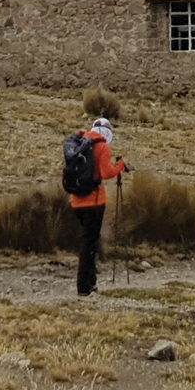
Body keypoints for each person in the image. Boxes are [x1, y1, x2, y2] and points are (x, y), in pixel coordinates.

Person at [67, 116, 127, 295]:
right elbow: (106, 172)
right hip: (94, 202)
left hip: (76, 200)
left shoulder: (79, 143)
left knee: (88, 241)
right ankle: (84, 287)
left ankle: (91, 282)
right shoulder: (102, 146)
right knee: (89, 244)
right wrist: (120, 166)